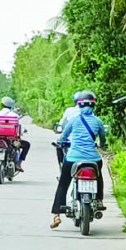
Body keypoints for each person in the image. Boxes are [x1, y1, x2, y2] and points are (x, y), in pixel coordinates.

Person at [51, 92, 108, 228]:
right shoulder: (98, 121)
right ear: (93, 105)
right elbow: (103, 138)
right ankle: (99, 200)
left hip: (73, 158)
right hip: (93, 159)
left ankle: (57, 214)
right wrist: (103, 144)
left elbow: (64, 136)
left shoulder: (75, 120)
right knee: (99, 176)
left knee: (63, 184)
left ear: (79, 105)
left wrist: (61, 142)